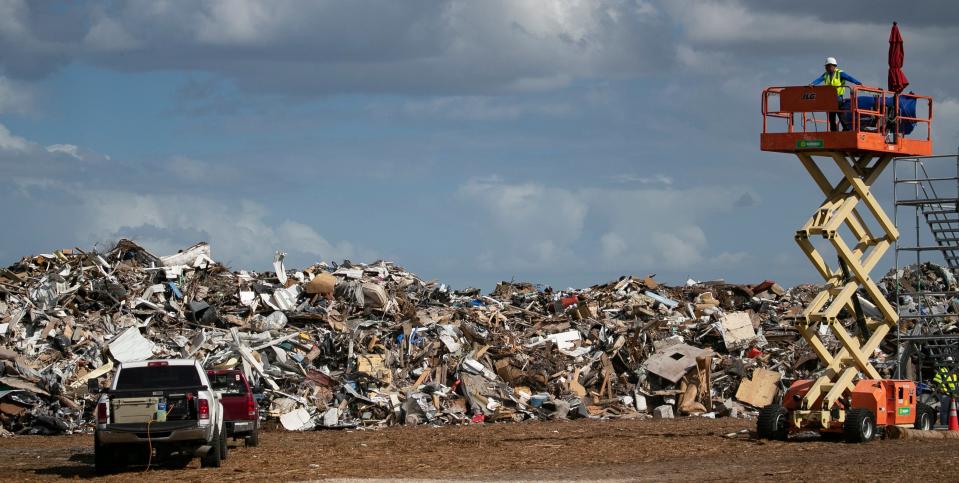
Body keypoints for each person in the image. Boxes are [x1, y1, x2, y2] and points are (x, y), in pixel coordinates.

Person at [809, 57, 863, 131]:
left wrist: (858, 83)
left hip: (838, 98)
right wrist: (812, 84)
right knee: (831, 116)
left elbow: (849, 78)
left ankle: (846, 129)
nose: (827, 68)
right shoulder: (826, 75)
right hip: (830, 98)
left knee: (840, 114)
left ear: (834, 66)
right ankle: (833, 131)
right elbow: (819, 79)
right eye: (826, 66)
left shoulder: (840, 73)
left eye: (828, 66)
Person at [933, 358, 957, 426]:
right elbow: (937, 380)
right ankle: (944, 425)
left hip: (952, 394)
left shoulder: (953, 372)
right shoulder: (942, 370)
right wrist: (941, 389)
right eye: (949, 362)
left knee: (952, 412)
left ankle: (950, 425)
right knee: (944, 411)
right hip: (945, 394)